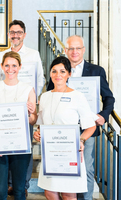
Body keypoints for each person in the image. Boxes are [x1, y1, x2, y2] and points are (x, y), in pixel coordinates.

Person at [46, 35, 115, 200]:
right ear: (65, 50)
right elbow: (50, 95)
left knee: (86, 168)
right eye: (71, 48)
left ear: (84, 50)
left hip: (86, 128)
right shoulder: (58, 71)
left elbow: (109, 98)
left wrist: (103, 116)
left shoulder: (97, 71)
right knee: (63, 167)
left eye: (78, 48)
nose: (74, 51)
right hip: (61, 129)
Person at [0, 20, 44, 195]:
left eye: (19, 32)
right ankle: (7, 183)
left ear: (24, 34)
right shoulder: (1, 55)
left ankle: (23, 183)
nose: (15, 35)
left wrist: (32, 103)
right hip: (3, 112)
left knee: (24, 148)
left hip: (24, 110)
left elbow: (40, 79)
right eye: (12, 32)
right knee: (5, 147)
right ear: (8, 34)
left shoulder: (33, 54)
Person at [35, 56, 97, 200]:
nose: (58, 75)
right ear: (50, 73)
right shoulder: (44, 97)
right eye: (54, 71)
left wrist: (81, 140)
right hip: (50, 153)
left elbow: (91, 126)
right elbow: (41, 124)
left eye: (62, 71)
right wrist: (38, 134)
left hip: (69, 153)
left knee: (69, 194)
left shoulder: (78, 96)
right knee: (50, 192)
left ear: (69, 74)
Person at [0, 51, 37, 200]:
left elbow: (32, 121)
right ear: (1, 66)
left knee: (19, 190)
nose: (10, 69)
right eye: (6, 65)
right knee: (0, 191)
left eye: (14, 65)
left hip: (21, 145)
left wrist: (32, 113)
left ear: (20, 67)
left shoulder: (28, 89)